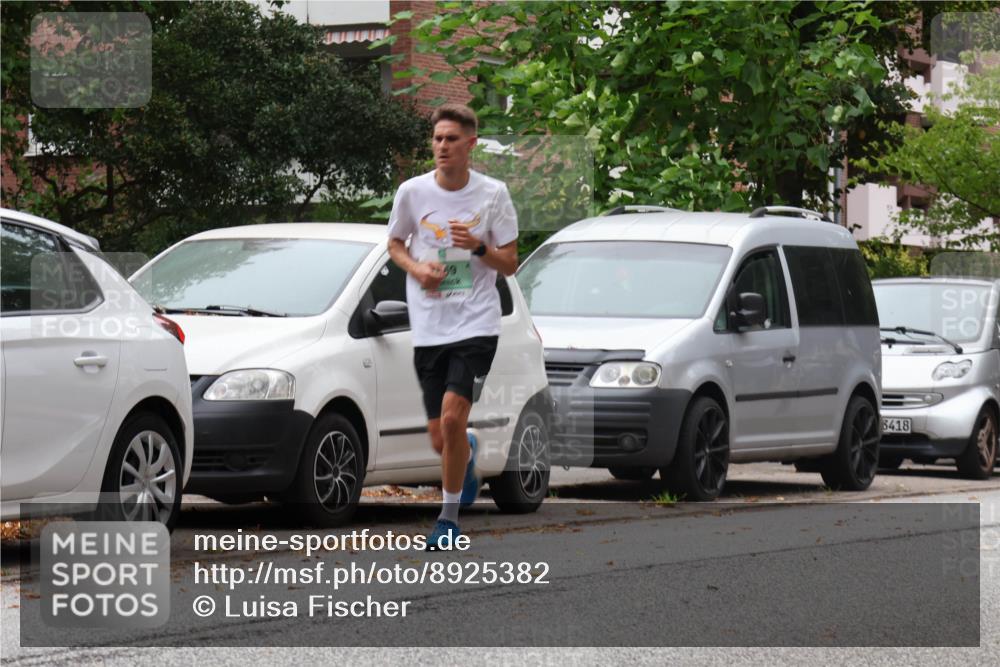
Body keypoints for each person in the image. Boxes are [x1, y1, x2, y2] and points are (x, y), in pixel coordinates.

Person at [387, 103, 519, 550]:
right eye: (437, 138)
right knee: (441, 435)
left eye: (451, 139)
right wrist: (417, 269)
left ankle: (447, 521)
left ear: (470, 144)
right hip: (429, 325)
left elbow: (510, 263)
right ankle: (466, 453)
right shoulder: (412, 192)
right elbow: (395, 243)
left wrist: (479, 247)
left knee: (451, 416)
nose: (442, 146)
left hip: (476, 322)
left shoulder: (493, 194)